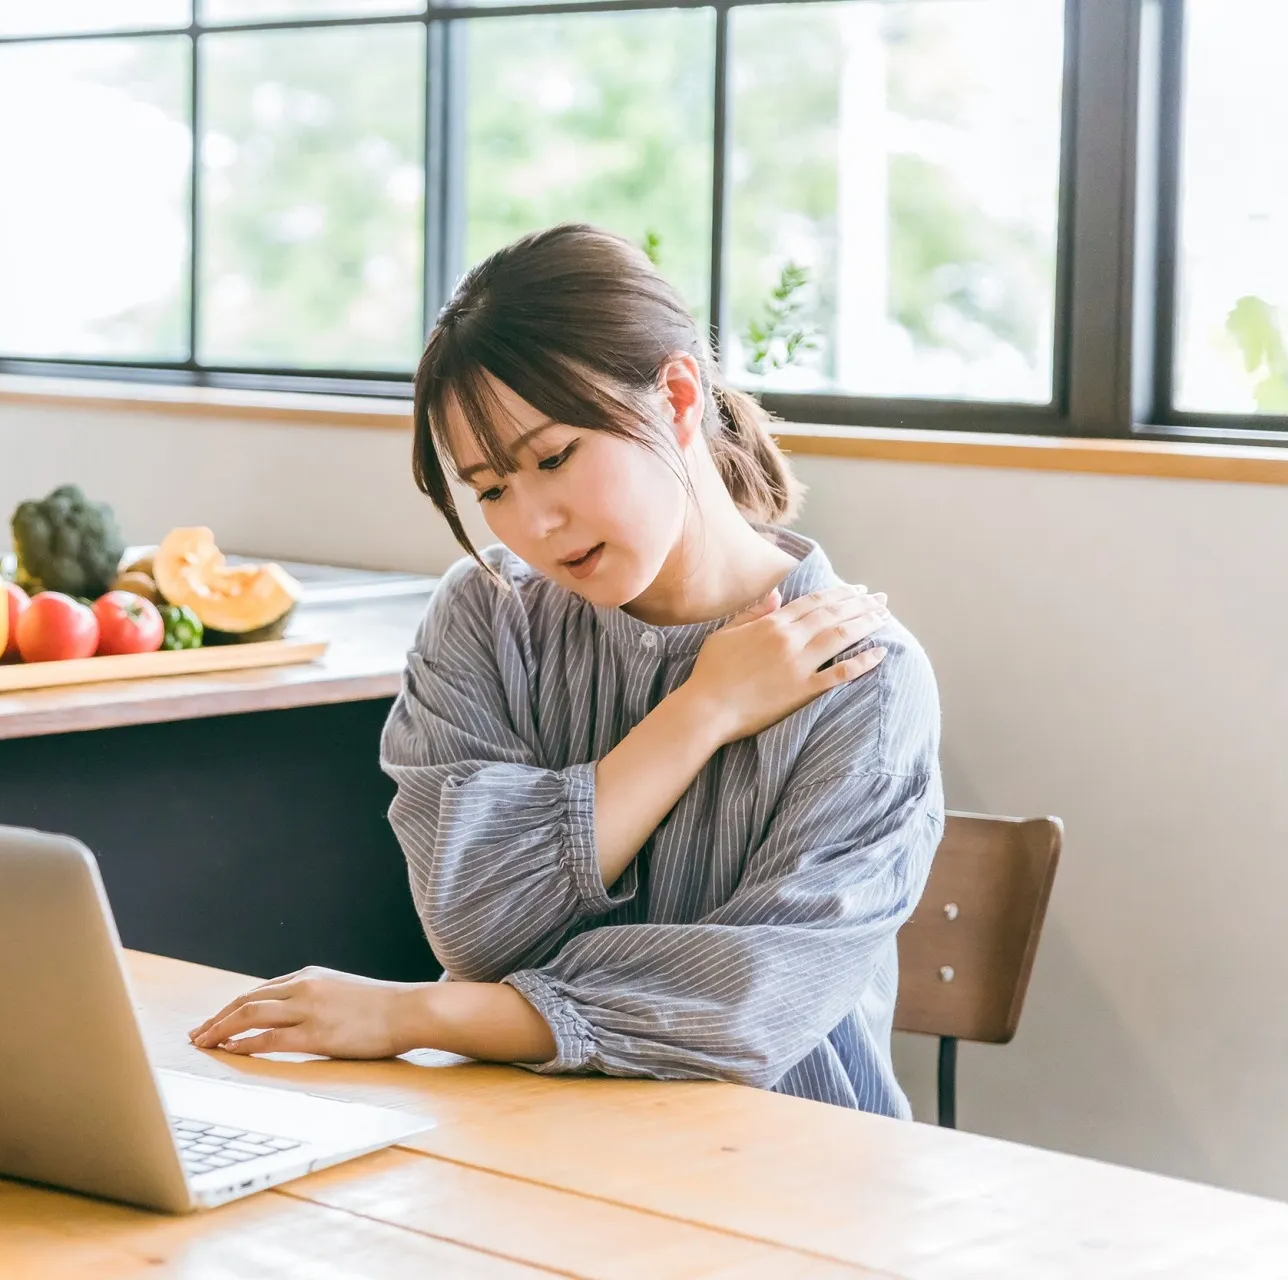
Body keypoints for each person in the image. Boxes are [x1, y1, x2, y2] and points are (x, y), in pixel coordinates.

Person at [190, 224, 943, 1117]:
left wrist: (419, 1014)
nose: (534, 523)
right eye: (492, 489)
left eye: (553, 458)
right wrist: (699, 712)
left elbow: (745, 1007)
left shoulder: (864, 674)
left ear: (675, 394)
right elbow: (476, 922)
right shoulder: (487, 617)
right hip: (520, 1148)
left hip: (792, 1182)